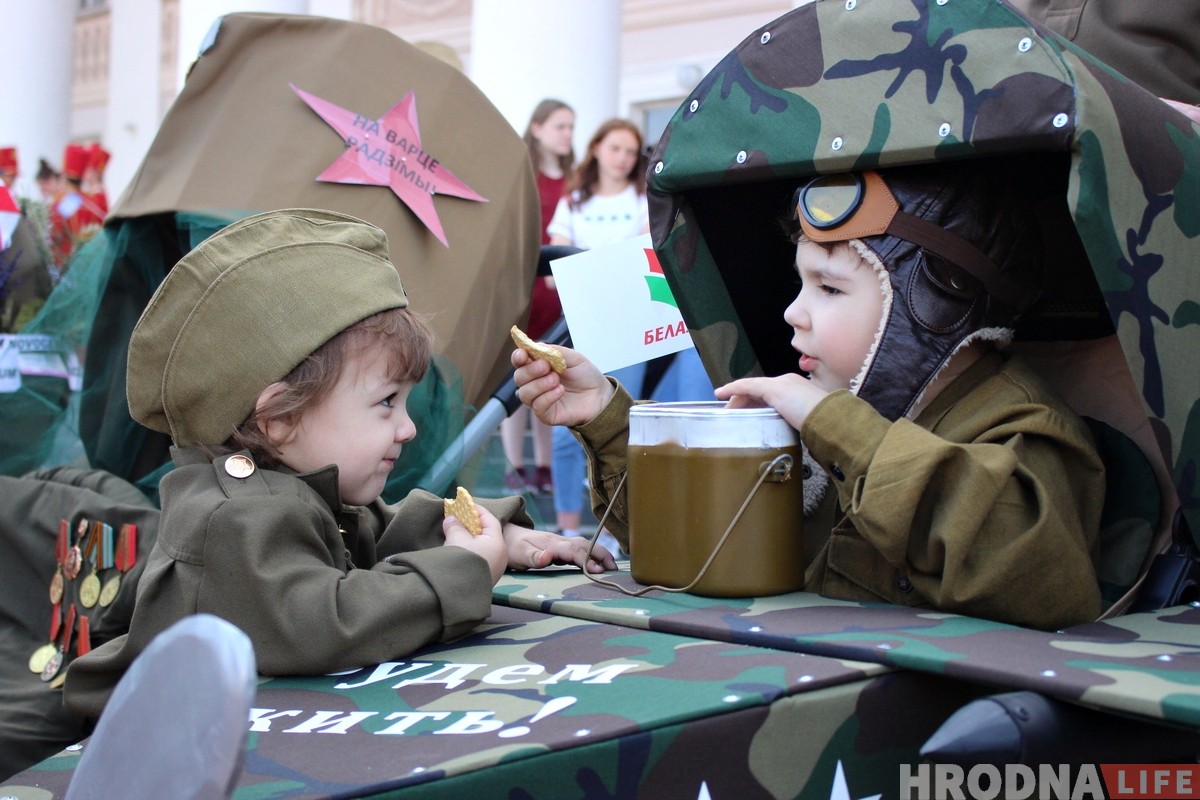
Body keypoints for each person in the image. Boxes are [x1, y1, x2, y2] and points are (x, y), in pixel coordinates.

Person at [62, 208, 615, 717]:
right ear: (281, 418)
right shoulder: (232, 520)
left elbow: (384, 530)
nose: (408, 427)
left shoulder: (297, 487)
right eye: (386, 402)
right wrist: (463, 567)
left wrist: (493, 535)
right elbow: (330, 623)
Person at [513, 162, 1106, 631]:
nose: (793, 313)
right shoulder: (830, 406)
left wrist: (832, 422)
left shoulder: (1019, 423)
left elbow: (1038, 577)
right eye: (801, 283)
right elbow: (695, 547)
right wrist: (608, 419)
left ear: (931, 307)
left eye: (829, 288)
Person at [545, 118, 649, 550]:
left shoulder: (643, 197)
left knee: (621, 423)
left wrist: (593, 268)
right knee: (564, 431)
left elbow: (644, 255)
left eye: (631, 151)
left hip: (629, 325)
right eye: (615, 148)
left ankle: (611, 531)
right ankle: (569, 529)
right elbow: (553, 270)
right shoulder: (573, 200)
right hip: (580, 326)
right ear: (597, 149)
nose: (623, 158)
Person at [500, 99, 576, 495]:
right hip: (525, 284)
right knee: (516, 374)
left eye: (571, 127)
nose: (568, 134)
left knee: (550, 373)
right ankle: (514, 464)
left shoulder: (576, 179)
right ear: (537, 128)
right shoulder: (520, 174)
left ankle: (545, 465)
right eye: (560, 126)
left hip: (560, 290)